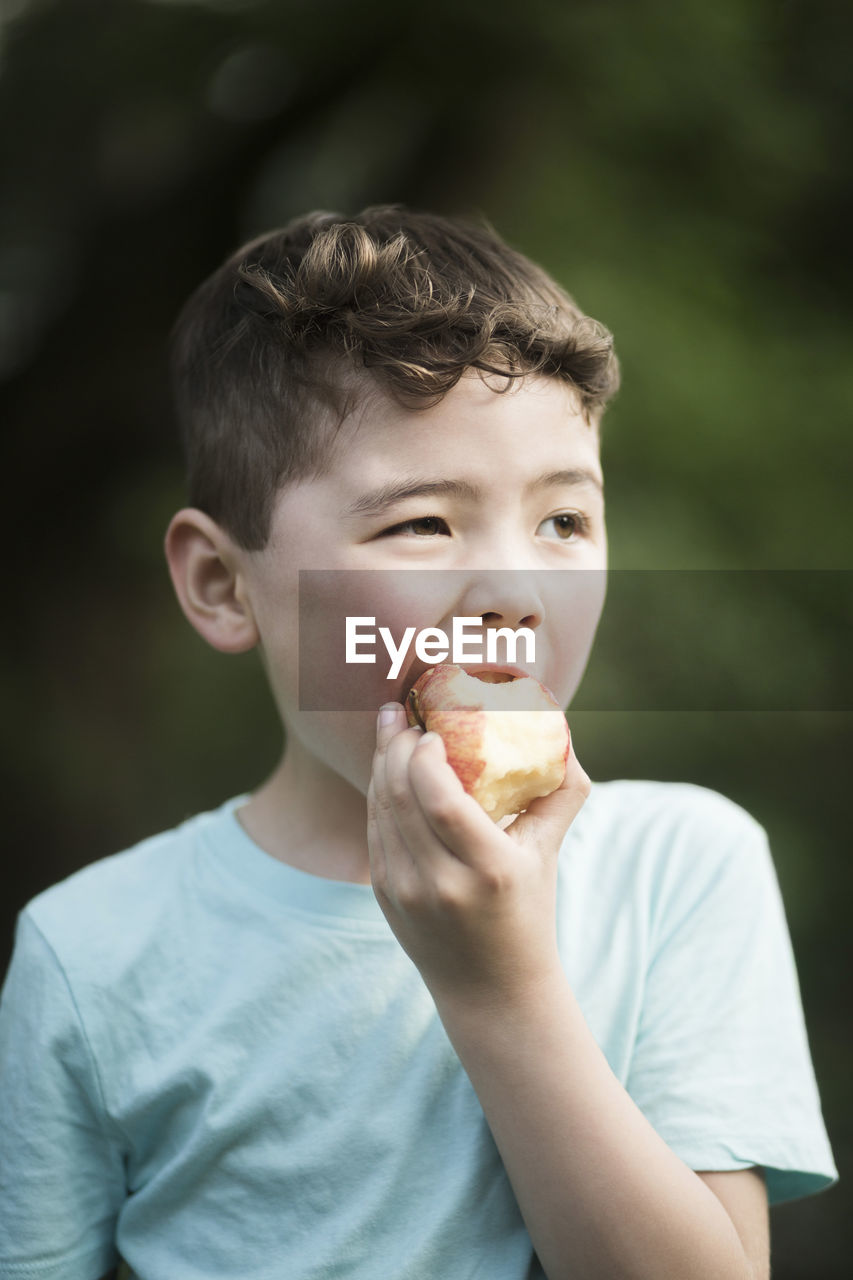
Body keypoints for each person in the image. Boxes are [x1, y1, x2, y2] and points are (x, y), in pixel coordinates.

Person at [0, 207, 837, 1280]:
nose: (512, 590)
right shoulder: (92, 952)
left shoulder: (678, 866)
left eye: (564, 522)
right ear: (223, 583)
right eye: (422, 523)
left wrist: (499, 987)